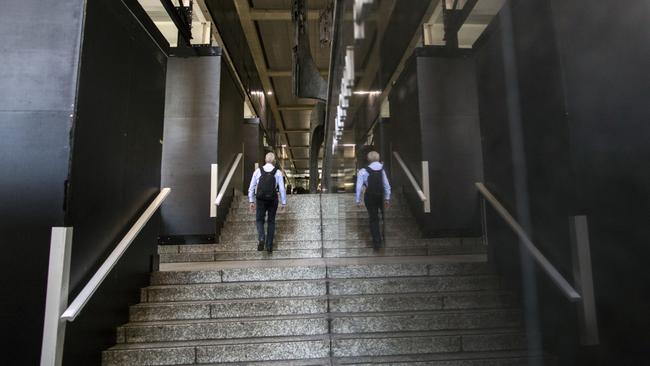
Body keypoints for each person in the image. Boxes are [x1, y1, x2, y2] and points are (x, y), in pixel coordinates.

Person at [248, 152, 287, 253]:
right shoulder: (277, 172)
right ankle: (269, 246)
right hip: (272, 199)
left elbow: (251, 187)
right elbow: (282, 189)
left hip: (260, 199)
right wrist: (283, 203)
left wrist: (251, 201)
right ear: (274, 161)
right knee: (271, 221)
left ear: (265, 160)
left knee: (259, 220)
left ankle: (261, 238)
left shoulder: (257, 171)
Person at [355, 151, 391, 249]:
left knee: (373, 219)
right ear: (378, 158)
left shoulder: (363, 171)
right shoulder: (382, 170)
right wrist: (387, 198)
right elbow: (386, 186)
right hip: (381, 196)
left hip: (370, 197)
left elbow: (358, 187)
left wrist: (358, 200)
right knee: (384, 217)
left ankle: (377, 243)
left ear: (368, 159)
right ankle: (386, 238)